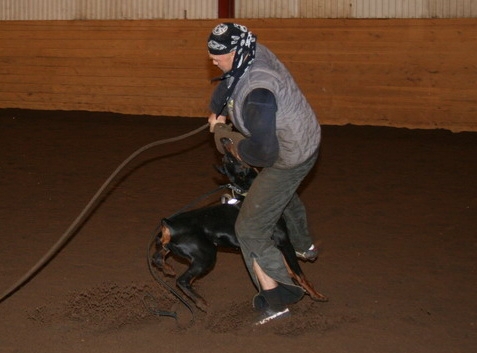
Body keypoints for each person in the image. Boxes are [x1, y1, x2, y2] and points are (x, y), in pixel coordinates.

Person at [206, 23, 321, 325]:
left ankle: (279, 296)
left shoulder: (259, 92)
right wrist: (217, 111)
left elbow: (262, 154)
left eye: (220, 55)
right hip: (305, 140)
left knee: (250, 228)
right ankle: (303, 245)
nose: (212, 60)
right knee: (281, 195)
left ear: (238, 51)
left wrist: (224, 138)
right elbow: (229, 83)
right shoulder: (250, 54)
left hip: (288, 156)